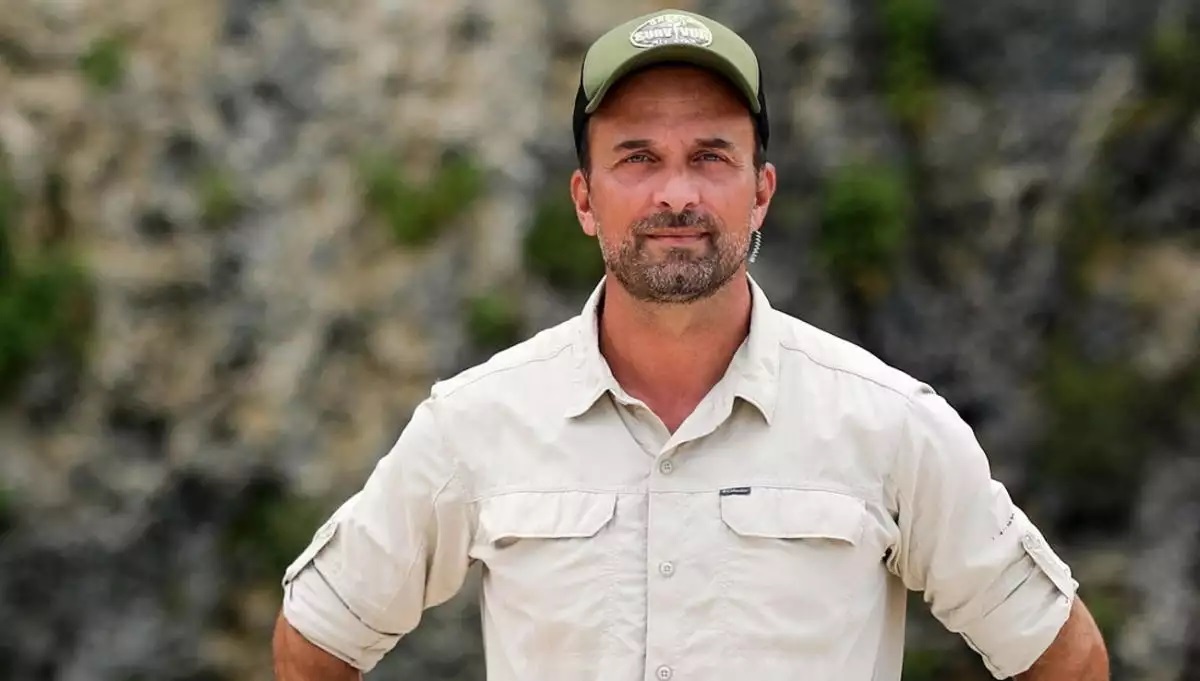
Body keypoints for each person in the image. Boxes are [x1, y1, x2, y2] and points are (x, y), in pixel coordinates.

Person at [272, 8, 1109, 680]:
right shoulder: (474, 423)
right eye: (638, 157)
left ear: (761, 192)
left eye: (711, 156)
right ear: (584, 199)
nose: (677, 193)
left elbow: (1064, 658)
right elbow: (318, 636)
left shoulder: (890, 424)